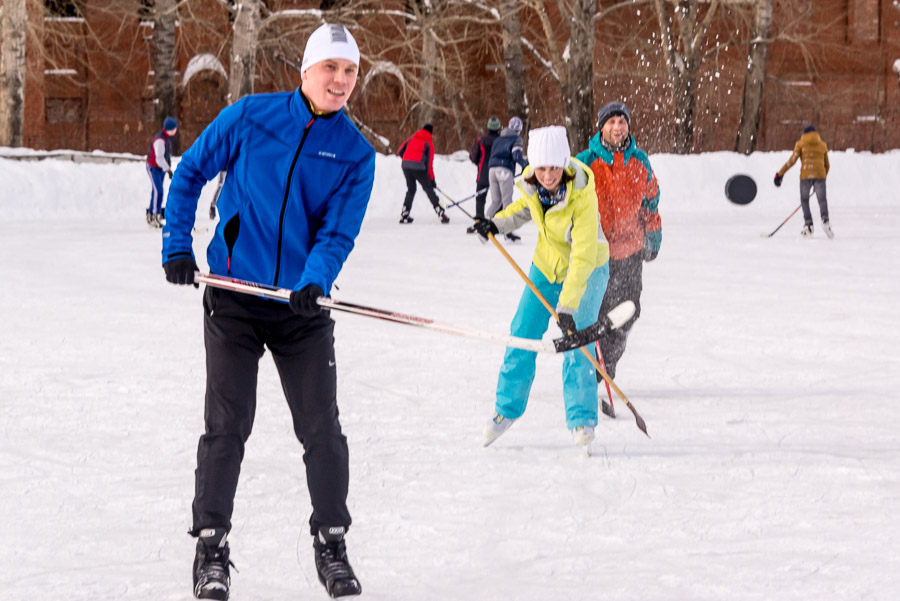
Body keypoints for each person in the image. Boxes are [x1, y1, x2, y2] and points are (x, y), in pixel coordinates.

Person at [161, 23, 371, 600]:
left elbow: (336, 235)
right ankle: (211, 547)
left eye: (350, 70)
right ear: (305, 71)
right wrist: (178, 244)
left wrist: (314, 279)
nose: (341, 80)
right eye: (331, 67)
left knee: (321, 428)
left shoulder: (355, 154)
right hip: (232, 296)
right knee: (227, 426)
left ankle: (331, 541)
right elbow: (189, 175)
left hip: (299, 309)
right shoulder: (250, 116)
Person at [473, 126, 610, 450]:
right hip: (546, 265)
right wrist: (495, 222)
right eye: (541, 168)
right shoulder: (533, 185)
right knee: (521, 331)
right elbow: (522, 210)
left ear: (564, 163)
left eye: (554, 167)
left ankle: (581, 420)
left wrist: (567, 306)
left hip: (587, 270)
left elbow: (582, 256)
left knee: (576, 341)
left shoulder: (582, 196)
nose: (548, 175)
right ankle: (506, 410)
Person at [575, 101, 661, 409]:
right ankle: (591, 369)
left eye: (621, 122)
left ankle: (607, 362)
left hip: (630, 250)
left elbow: (651, 201)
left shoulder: (639, 161)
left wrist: (653, 233)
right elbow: (569, 203)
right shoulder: (585, 162)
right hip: (597, 251)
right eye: (611, 122)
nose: (617, 127)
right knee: (596, 314)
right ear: (601, 128)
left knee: (628, 310)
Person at [774, 124, 833, 238]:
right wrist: (822, 178)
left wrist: (780, 174)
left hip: (805, 176)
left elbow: (791, 161)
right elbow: (827, 165)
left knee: (804, 200)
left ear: (804, 134)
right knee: (822, 200)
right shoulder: (822, 145)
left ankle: (808, 224)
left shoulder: (800, 144)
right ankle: (825, 221)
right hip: (820, 176)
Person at [486, 116, 528, 241]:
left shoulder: (499, 139)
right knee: (507, 202)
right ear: (518, 129)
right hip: (504, 171)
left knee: (495, 201)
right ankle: (508, 232)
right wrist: (527, 165)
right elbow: (516, 156)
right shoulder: (516, 139)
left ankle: (483, 225)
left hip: (492, 170)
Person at [397, 123, 449, 224]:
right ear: (431, 133)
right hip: (419, 168)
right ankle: (440, 212)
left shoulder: (411, 138)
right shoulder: (428, 144)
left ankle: (405, 213)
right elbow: (429, 165)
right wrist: (432, 180)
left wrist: (408, 158)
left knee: (411, 189)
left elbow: (400, 151)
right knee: (429, 189)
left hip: (405, 166)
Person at [466, 115, 502, 234]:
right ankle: (497, 222)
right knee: (498, 200)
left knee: (480, 200)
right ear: (498, 129)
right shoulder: (501, 141)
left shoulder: (481, 141)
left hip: (483, 175)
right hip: (498, 175)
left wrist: (479, 163)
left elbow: (473, 157)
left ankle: (479, 222)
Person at [146, 116, 177, 229]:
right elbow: (159, 158)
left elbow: (166, 155)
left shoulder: (168, 138)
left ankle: (151, 215)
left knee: (157, 191)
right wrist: (168, 169)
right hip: (153, 167)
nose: (175, 130)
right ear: (169, 128)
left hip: (161, 168)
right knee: (158, 191)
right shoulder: (160, 140)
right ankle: (155, 216)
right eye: (174, 128)